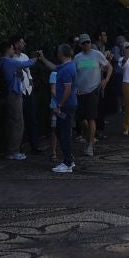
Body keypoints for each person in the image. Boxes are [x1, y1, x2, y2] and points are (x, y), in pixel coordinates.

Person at [0, 37, 33, 161]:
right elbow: (26, 64)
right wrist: (37, 57)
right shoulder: (8, 62)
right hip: (13, 95)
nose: (13, 50)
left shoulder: (3, 62)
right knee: (18, 123)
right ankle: (13, 151)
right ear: (8, 49)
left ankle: (12, 150)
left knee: (13, 123)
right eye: (12, 48)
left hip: (10, 95)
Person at [72, 36, 108, 157]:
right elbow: (73, 72)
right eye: (84, 43)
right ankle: (90, 139)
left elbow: (109, 67)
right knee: (81, 119)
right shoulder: (77, 57)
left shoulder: (97, 54)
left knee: (91, 117)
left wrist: (105, 80)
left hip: (93, 90)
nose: (86, 44)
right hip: (80, 91)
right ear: (81, 45)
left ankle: (90, 145)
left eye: (88, 42)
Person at [49, 42, 79, 174]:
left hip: (66, 105)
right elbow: (54, 67)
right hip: (67, 105)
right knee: (60, 131)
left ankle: (67, 162)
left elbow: (67, 89)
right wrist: (42, 59)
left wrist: (59, 105)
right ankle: (68, 159)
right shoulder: (67, 66)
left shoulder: (67, 69)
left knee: (64, 133)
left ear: (61, 54)